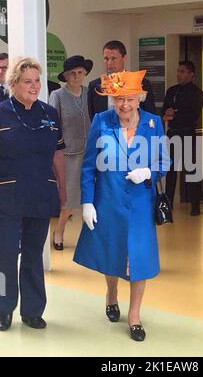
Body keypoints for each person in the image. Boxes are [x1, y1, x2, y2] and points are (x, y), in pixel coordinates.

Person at [73, 70, 169, 342]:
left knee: (140, 256)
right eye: (118, 99)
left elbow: (164, 163)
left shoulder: (153, 123)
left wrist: (149, 172)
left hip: (140, 203)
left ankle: (135, 315)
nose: (124, 105)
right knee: (112, 250)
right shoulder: (102, 121)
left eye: (129, 99)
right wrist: (88, 201)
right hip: (109, 199)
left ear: (140, 98)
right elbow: (90, 165)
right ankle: (111, 294)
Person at [0, 57, 66, 331]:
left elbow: (58, 156)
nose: (34, 86)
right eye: (28, 81)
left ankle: (32, 311)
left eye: (37, 80)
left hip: (41, 193)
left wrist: (64, 193)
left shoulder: (50, 114)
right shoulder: (1, 112)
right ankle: (3, 310)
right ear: (13, 83)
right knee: (4, 255)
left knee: (33, 253)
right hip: (8, 195)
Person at [49, 55, 92, 250]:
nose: (76, 76)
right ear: (65, 76)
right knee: (68, 199)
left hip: (91, 152)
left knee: (90, 197)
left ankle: (89, 238)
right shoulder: (57, 95)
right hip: (68, 154)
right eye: (72, 73)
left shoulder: (90, 93)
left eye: (80, 73)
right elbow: (52, 125)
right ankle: (59, 231)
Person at [162, 60, 203, 216]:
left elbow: (192, 114)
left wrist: (175, 113)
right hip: (172, 133)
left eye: (183, 71)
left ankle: (195, 205)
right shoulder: (172, 90)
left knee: (192, 170)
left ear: (191, 74)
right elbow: (165, 109)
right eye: (178, 71)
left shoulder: (197, 93)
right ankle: (168, 202)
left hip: (188, 134)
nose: (179, 74)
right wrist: (168, 113)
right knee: (171, 170)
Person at [88, 40, 156, 120]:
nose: (109, 63)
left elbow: (150, 114)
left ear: (124, 58)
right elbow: (93, 117)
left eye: (114, 58)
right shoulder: (95, 86)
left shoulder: (142, 83)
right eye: (106, 59)